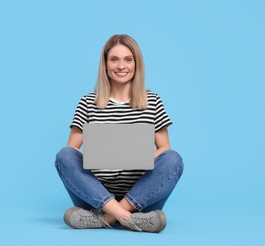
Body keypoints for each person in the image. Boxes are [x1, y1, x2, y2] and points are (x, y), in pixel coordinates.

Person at [55, 34, 184, 233]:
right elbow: (72, 148)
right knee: (64, 155)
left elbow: (165, 148)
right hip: (95, 197)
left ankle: (105, 219)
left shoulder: (153, 101)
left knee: (173, 159)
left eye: (128, 59)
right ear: (105, 64)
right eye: (114, 59)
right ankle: (126, 219)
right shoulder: (88, 102)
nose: (121, 66)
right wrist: (96, 156)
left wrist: (140, 158)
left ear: (136, 64)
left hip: (141, 200)